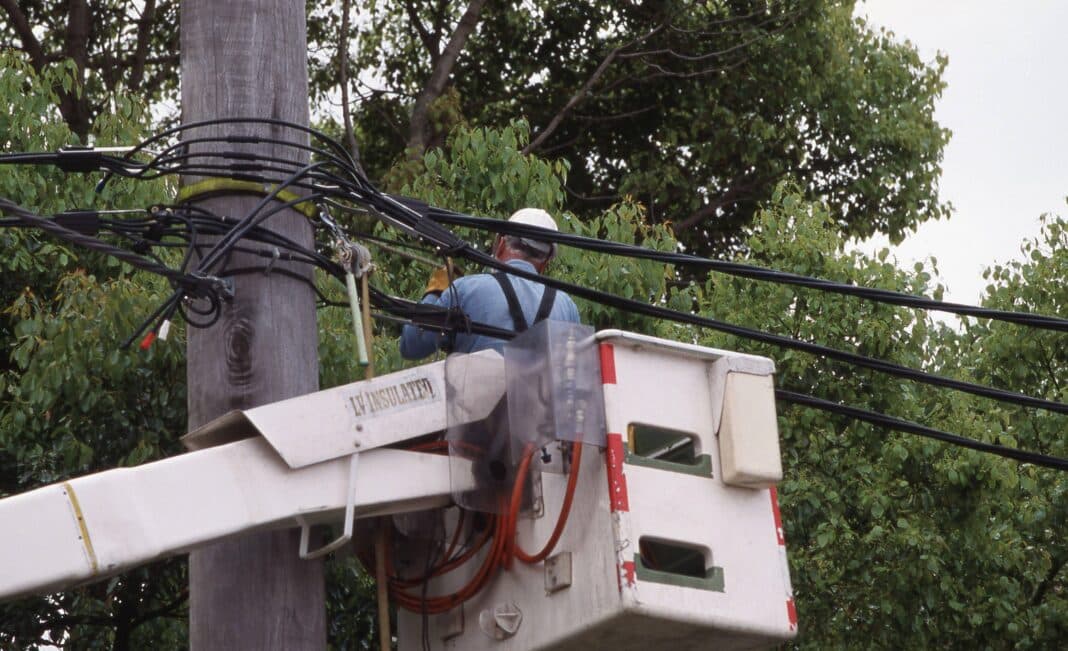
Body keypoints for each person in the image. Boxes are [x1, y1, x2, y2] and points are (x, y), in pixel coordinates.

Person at [400, 208, 580, 359]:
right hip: (542, 402)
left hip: (475, 401)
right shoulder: (567, 307)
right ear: (546, 261)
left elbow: (412, 345)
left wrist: (436, 292)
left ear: (500, 244)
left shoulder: (465, 290)